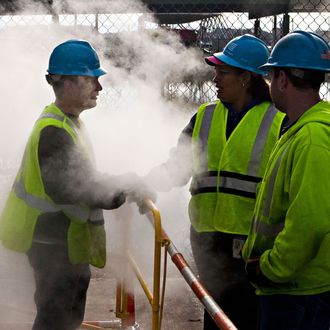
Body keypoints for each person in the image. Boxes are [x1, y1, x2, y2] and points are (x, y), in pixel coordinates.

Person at [0, 39, 154, 330]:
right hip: (52, 242)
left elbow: (83, 177)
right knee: (56, 319)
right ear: (67, 83)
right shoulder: (54, 131)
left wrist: (125, 182)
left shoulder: (66, 122)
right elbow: (74, 188)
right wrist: (122, 190)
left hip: (60, 241)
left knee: (65, 315)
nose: (99, 87)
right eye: (92, 79)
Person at [146, 34, 287, 329]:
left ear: (246, 77)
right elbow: (178, 165)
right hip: (208, 238)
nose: (215, 79)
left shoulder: (279, 121)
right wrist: (147, 183)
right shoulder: (205, 116)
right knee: (215, 312)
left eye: (223, 72)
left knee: (248, 316)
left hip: (253, 243)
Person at [242, 30, 330, 330]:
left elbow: (311, 221)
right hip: (295, 288)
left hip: (298, 291)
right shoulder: (299, 128)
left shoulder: (312, 137)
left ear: (281, 79)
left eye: (271, 77)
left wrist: (271, 268)